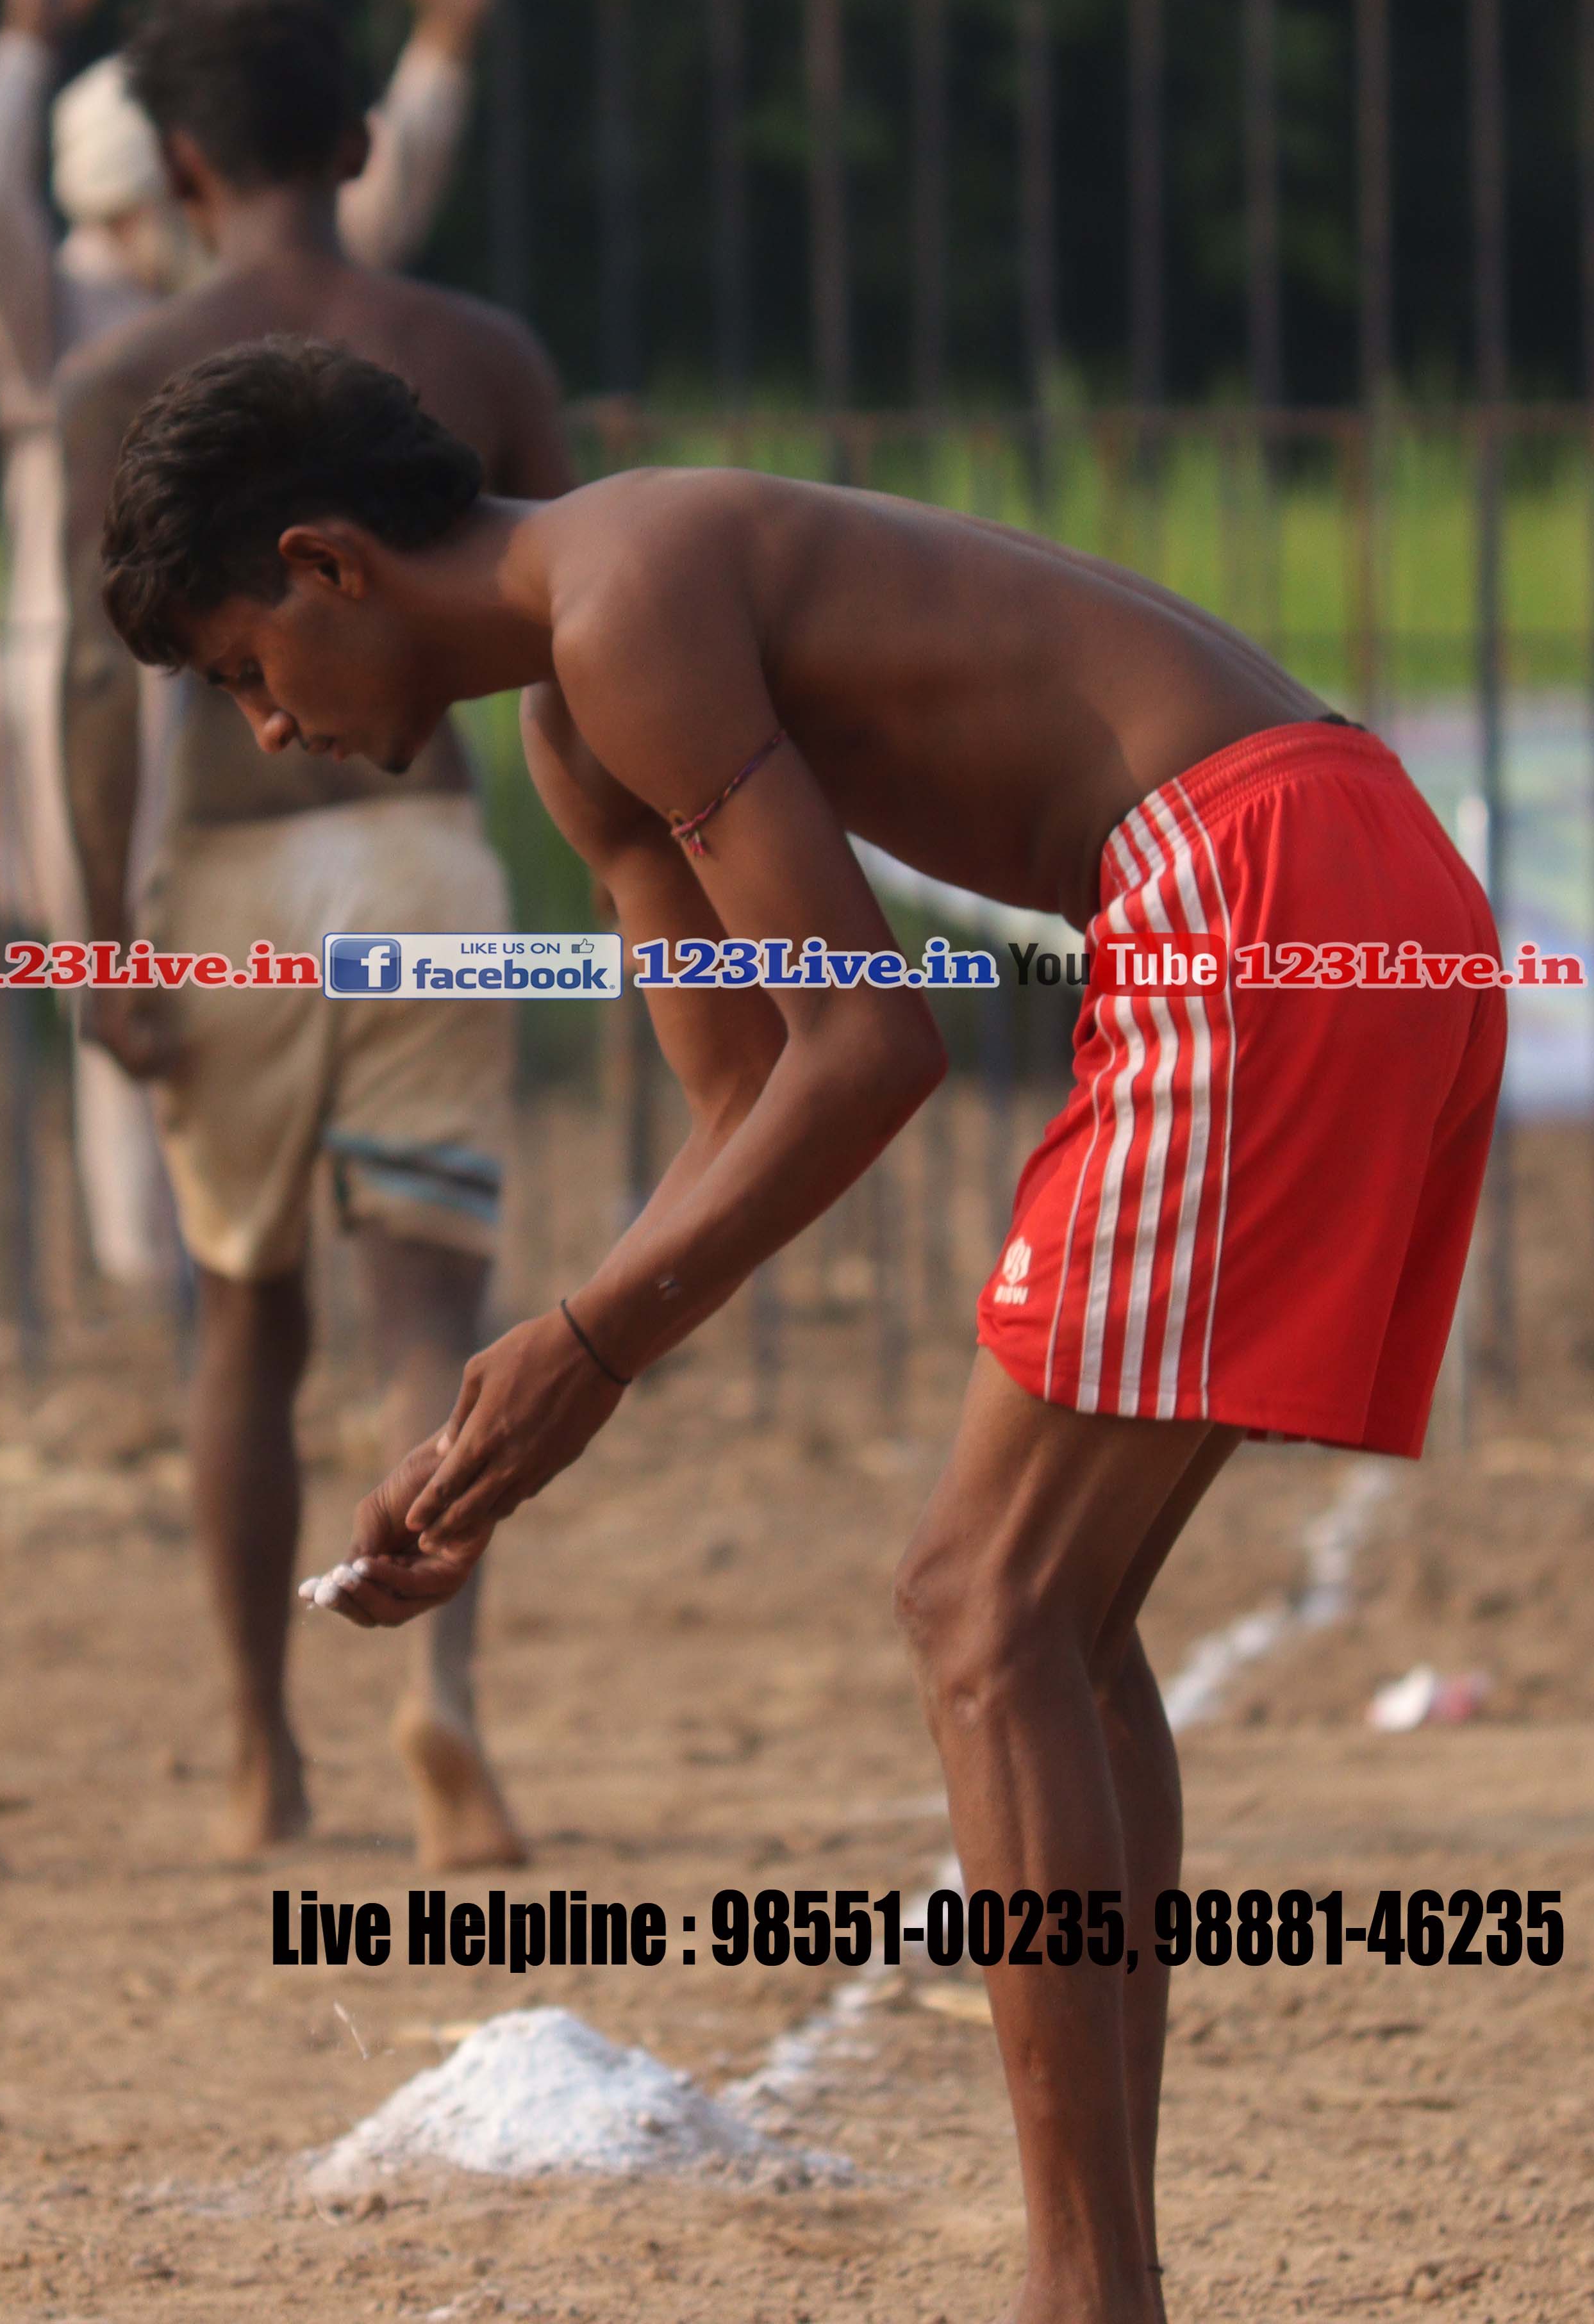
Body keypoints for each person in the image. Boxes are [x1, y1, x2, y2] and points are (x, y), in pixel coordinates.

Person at [97, 337, 1502, 2324]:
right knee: (1053, 1618)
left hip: (1258, 893)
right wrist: (522, 1414)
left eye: (248, 668)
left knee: (979, 1603)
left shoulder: (625, 597)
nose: (266, 727)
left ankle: (1086, 2297)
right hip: (1339, 875)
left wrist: (585, 1347)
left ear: (329, 564)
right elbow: (751, 1097)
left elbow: (870, 1048)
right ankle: (1105, 2281)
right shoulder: (582, 718)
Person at [51, 0, 572, 1870]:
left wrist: (101, 936)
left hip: (231, 880)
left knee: (244, 1320)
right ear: (357, 145)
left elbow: (96, 689)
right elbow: (569, 629)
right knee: (429, 1304)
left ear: (183, 168)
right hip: (425, 855)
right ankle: (445, 1702)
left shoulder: (128, 376)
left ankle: (262, 1748)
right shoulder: (475, 349)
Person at [0, 0, 502, 1292]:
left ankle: (198, 1258)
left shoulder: (243, 306)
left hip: (235, 682)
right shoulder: (69, 318)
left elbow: (366, 201)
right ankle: (154, 1260)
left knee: (190, 954)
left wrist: (441, 46)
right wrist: (20, 42)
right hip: (98, 667)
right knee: (120, 956)